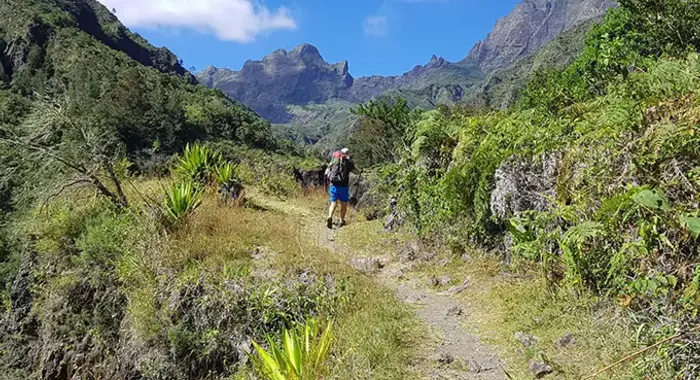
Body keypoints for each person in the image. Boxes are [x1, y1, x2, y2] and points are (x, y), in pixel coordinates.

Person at [325, 148, 360, 229]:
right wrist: (360, 171)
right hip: (343, 186)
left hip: (333, 185)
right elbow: (356, 172)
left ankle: (330, 216)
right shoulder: (348, 162)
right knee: (343, 204)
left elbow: (328, 170)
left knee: (333, 203)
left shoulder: (334, 161)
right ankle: (341, 221)